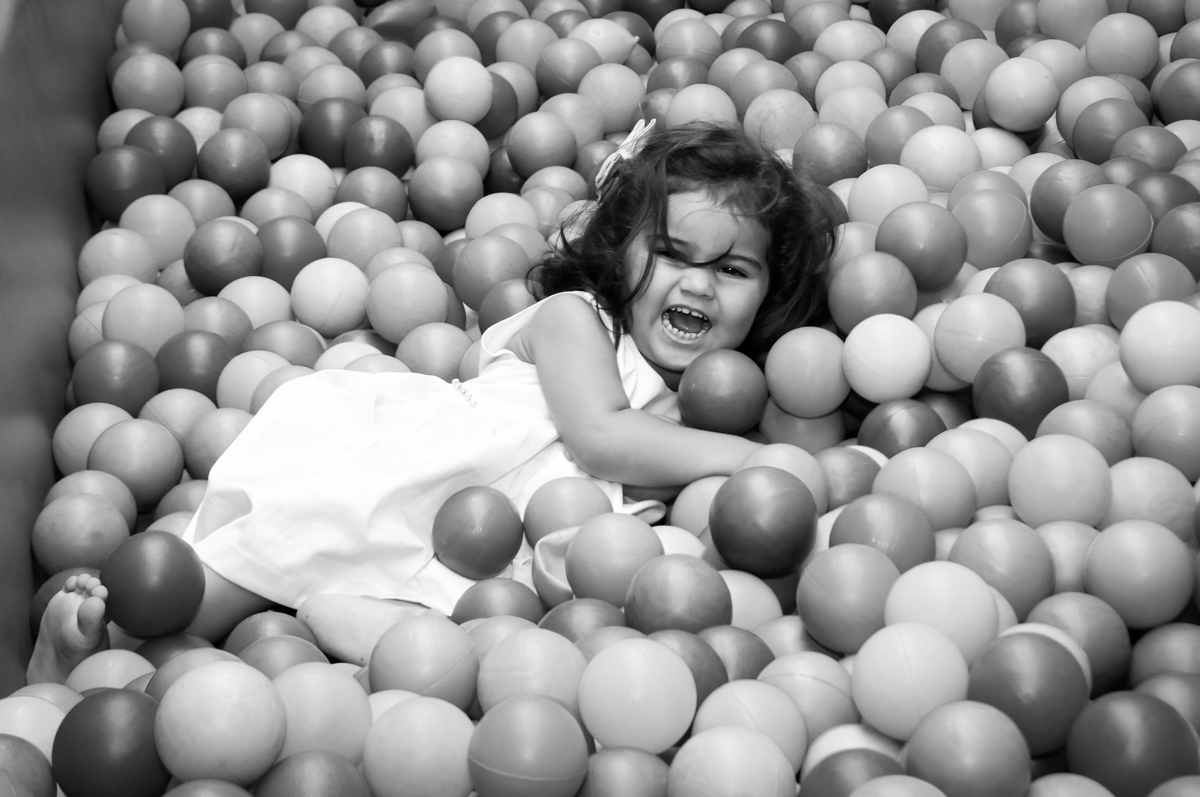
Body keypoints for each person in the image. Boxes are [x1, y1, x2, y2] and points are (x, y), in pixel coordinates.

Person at [28, 122, 837, 683]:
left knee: (506, 642)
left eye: (733, 271)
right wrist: (761, 459)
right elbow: (599, 437)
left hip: (510, 551)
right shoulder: (575, 319)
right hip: (430, 474)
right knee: (297, 538)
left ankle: (353, 620)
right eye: (671, 254)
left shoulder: (724, 397)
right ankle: (101, 639)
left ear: (769, 296)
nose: (697, 282)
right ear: (616, 255)